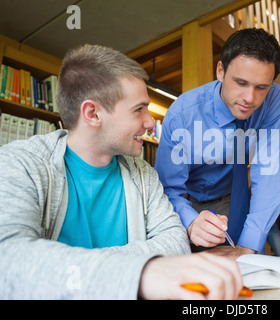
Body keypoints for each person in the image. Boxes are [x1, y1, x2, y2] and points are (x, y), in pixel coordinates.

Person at [0, 44, 242, 300]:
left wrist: (66, 263)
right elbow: (9, 261)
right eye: (139, 109)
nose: (150, 122)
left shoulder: (143, 174)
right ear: (92, 113)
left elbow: (175, 242)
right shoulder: (20, 164)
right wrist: (142, 272)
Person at [155, 28, 280, 259]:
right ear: (220, 71)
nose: (250, 98)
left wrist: (247, 248)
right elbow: (168, 188)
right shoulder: (183, 114)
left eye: (261, 87)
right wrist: (189, 222)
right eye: (241, 82)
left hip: (230, 199)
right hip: (183, 201)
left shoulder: (274, 100)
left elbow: (269, 174)